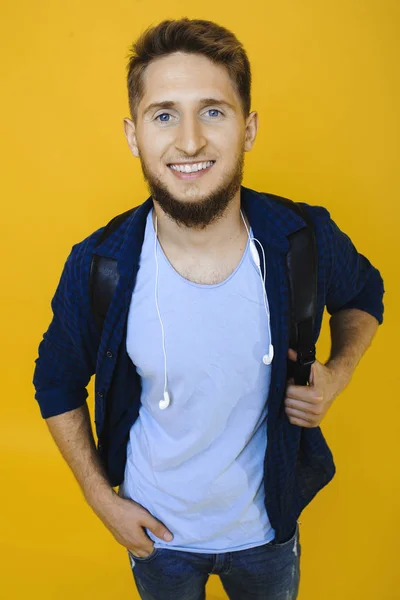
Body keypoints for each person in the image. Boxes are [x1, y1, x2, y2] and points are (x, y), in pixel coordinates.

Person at [32, 18, 384, 600]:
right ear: (133, 134)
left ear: (248, 128)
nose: (190, 141)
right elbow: (56, 382)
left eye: (213, 112)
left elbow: (364, 296)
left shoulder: (302, 239)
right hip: (156, 536)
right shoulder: (100, 265)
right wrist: (101, 499)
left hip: (268, 532)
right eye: (164, 114)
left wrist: (337, 374)